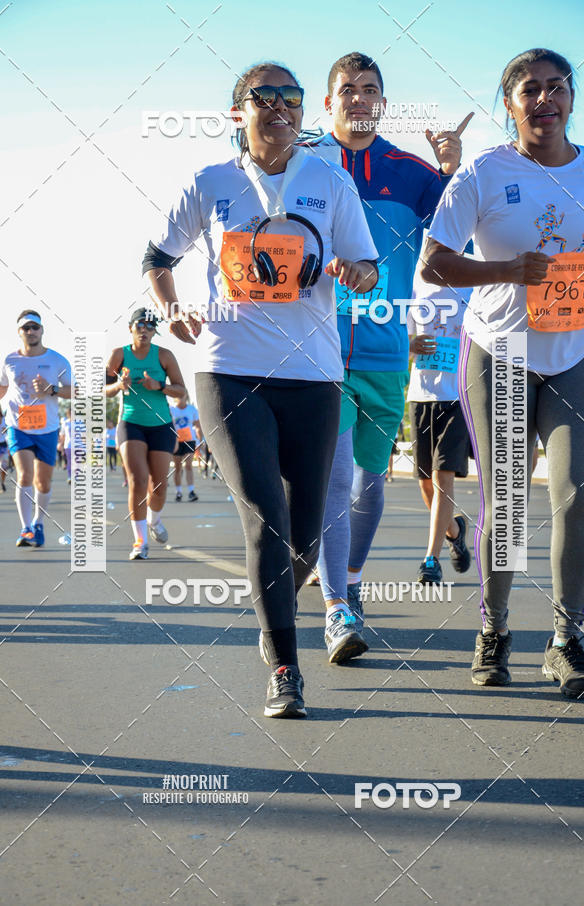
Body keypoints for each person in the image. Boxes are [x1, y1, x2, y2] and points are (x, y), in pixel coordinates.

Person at [143, 62, 378, 718]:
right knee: (264, 516)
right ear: (237, 113)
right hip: (228, 370)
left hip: (313, 375)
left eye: (291, 98)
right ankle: (284, 668)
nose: (280, 108)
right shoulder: (210, 182)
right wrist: (172, 310)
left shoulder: (330, 181)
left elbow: (366, 267)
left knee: (302, 538)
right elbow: (158, 259)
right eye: (263, 97)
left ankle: (270, 611)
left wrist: (354, 275)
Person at [422, 48, 584, 698]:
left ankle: (565, 640)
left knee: (580, 492)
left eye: (557, 88)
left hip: (581, 352)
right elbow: (434, 263)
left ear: (573, 99)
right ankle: (494, 631)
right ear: (510, 103)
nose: (545, 100)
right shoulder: (482, 174)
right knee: (509, 504)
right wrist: (505, 271)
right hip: (501, 352)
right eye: (531, 90)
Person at [306, 52, 472, 662]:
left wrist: (454, 174)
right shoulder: (306, 164)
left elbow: (461, 237)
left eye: (369, 90)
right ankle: (337, 608)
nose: (357, 99)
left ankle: (346, 582)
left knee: (370, 485)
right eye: (346, 90)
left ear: (382, 102)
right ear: (328, 103)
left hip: (386, 350)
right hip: (316, 348)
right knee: (336, 475)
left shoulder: (411, 173)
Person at [407, 270, 472, 584]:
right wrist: (412, 344)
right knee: (425, 484)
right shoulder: (416, 283)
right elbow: (400, 341)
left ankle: (430, 559)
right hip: (421, 395)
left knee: (442, 476)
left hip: (459, 395)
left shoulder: (474, 280)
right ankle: (455, 531)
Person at [105, 308, 185, 560]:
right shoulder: (119, 355)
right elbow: (102, 389)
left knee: (159, 487)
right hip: (131, 423)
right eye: (140, 324)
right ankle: (139, 542)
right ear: (131, 327)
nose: (145, 329)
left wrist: (159, 386)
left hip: (161, 424)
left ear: (155, 331)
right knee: (138, 481)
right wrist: (119, 385)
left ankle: (154, 520)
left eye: (151, 326)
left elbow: (181, 391)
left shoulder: (164, 356)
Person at [0, 311, 71, 547]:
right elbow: (2, 388)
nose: (31, 332)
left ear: (42, 330)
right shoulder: (10, 360)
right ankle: (26, 528)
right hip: (18, 426)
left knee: (44, 482)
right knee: (24, 474)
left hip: (48, 429)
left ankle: (39, 522)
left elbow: (75, 391)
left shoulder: (58, 360)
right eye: (26, 328)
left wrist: (51, 390)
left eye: (35, 327)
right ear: (19, 332)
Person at [170, 392, 201, 501]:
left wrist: (199, 439)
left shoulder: (192, 409)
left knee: (188, 465)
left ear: (185, 396)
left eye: (181, 395)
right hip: (176, 441)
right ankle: (178, 492)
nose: (180, 397)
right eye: (177, 395)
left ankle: (191, 492)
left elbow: (197, 425)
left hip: (189, 440)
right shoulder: (171, 410)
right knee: (177, 467)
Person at [58, 405, 73, 483]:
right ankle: (70, 477)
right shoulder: (65, 423)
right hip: (68, 445)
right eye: (70, 413)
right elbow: (62, 435)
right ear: (68, 414)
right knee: (70, 462)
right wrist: (61, 444)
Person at [0, 408, 9, 492]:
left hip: (3, 445)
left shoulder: (4, 420)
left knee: (3, 467)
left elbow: (9, 433)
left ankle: (2, 482)